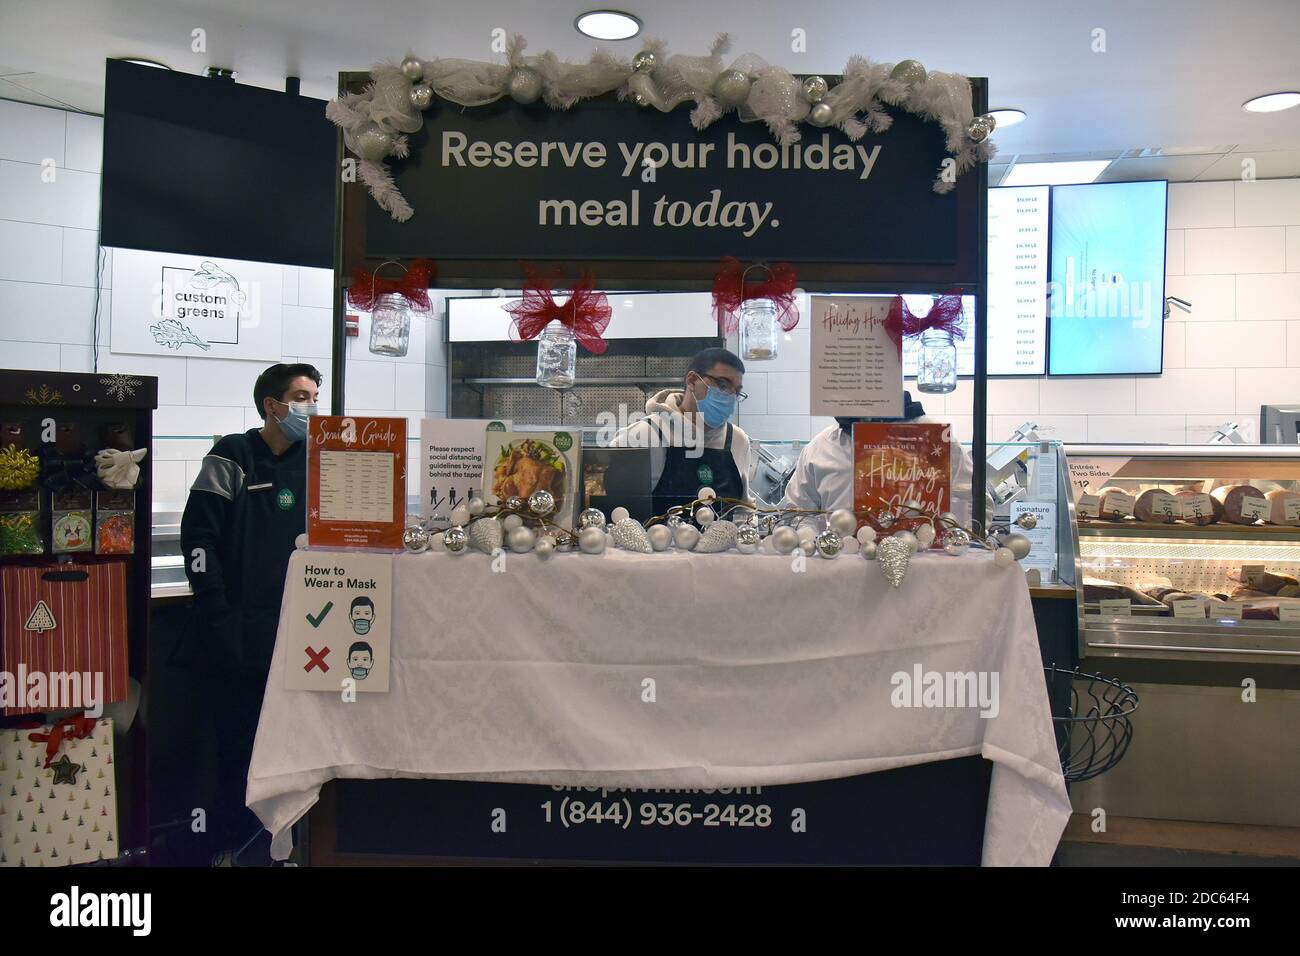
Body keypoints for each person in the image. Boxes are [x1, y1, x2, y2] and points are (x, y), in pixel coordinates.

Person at [179, 362, 321, 864]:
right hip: (238, 631)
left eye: (314, 395)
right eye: (302, 396)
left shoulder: (317, 459)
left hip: (304, 631)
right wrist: (219, 615)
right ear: (271, 405)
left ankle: (288, 847)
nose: (311, 406)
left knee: (296, 747)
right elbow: (198, 540)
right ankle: (230, 847)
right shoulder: (232, 456)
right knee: (237, 745)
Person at [780, 390, 973, 530]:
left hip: (923, 579)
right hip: (841, 577)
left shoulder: (935, 440)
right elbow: (798, 514)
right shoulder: (820, 448)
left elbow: (974, 507)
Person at [610, 347, 752, 502]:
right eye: (723, 385)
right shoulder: (643, 436)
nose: (730, 397)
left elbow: (742, 512)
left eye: (737, 392)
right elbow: (618, 514)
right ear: (692, 381)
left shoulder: (737, 440)